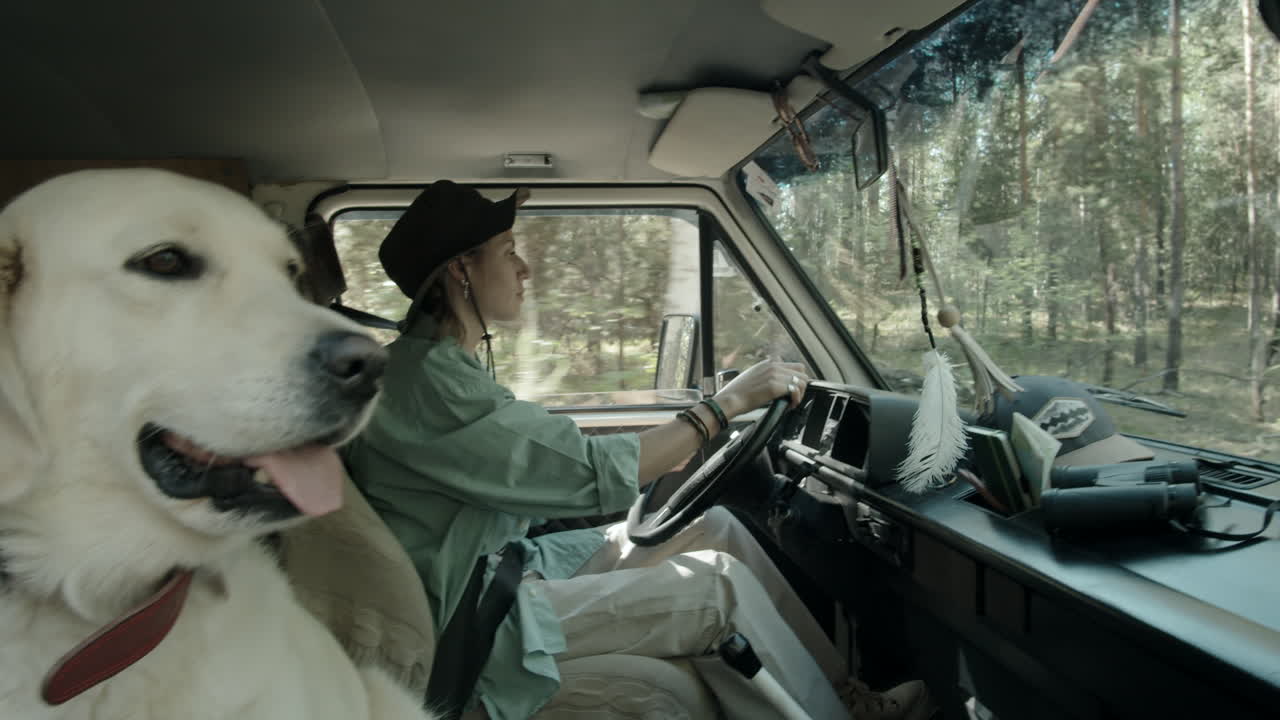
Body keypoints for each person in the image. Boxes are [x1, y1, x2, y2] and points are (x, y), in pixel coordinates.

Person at [342, 180, 933, 720]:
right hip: (472, 621)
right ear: (460, 271)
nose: (524, 268)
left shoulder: (443, 369)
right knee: (717, 585)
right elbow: (594, 469)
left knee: (717, 530)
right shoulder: (426, 384)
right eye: (507, 250)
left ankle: (842, 697)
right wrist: (726, 404)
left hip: (504, 567)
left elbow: (545, 458)